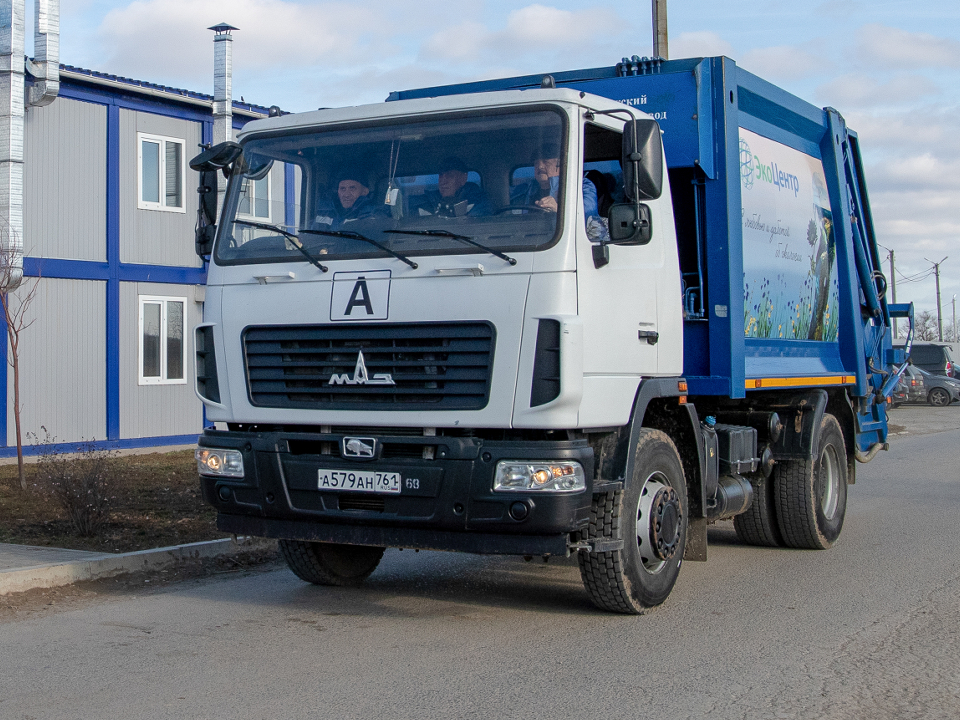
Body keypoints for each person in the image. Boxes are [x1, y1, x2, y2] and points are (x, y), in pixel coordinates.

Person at [510, 143, 598, 218]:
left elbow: (588, 211)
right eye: (536, 163)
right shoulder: (524, 190)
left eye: (545, 162)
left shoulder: (580, 185)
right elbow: (503, 204)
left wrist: (559, 210)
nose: (540, 167)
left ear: (560, 164)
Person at [414, 157, 489, 217]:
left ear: (463, 178)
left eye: (450, 175)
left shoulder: (479, 202)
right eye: (441, 175)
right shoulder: (427, 202)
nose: (443, 181)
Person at [312, 169, 385, 229]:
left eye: (352, 188)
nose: (346, 194)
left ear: (364, 191)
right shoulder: (324, 213)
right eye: (342, 189)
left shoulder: (373, 216)